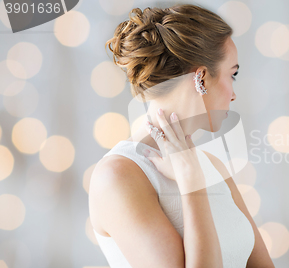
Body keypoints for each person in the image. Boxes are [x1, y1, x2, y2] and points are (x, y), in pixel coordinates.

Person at [88, 4, 274, 267]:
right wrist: (191, 183)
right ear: (201, 78)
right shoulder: (118, 175)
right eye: (233, 74)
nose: (234, 94)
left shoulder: (213, 166)